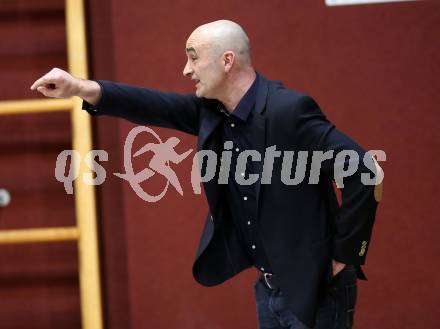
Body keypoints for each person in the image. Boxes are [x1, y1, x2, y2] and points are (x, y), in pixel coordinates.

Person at [30, 20, 383, 329]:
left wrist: (345, 254)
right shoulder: (213, 113)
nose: (187, 69)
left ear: (227, 60)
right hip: (270, 287)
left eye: (193, 56)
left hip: (317, 285)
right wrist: (79, 87)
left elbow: (365, 170)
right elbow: (152, 105)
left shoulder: (289, 111)